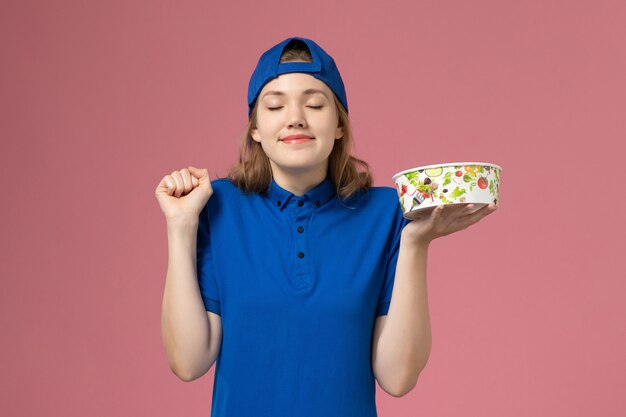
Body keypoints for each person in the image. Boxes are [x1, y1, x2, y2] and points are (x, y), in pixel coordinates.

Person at [155, 36, 496, 417]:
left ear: (338, 125)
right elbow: (188, 362)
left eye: (315, 103)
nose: (295, 116)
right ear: (255, 129)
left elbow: (398, 378)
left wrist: (415, 242)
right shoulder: (215, 208)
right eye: (275, 105)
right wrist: (180, 225)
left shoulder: (387, 213)